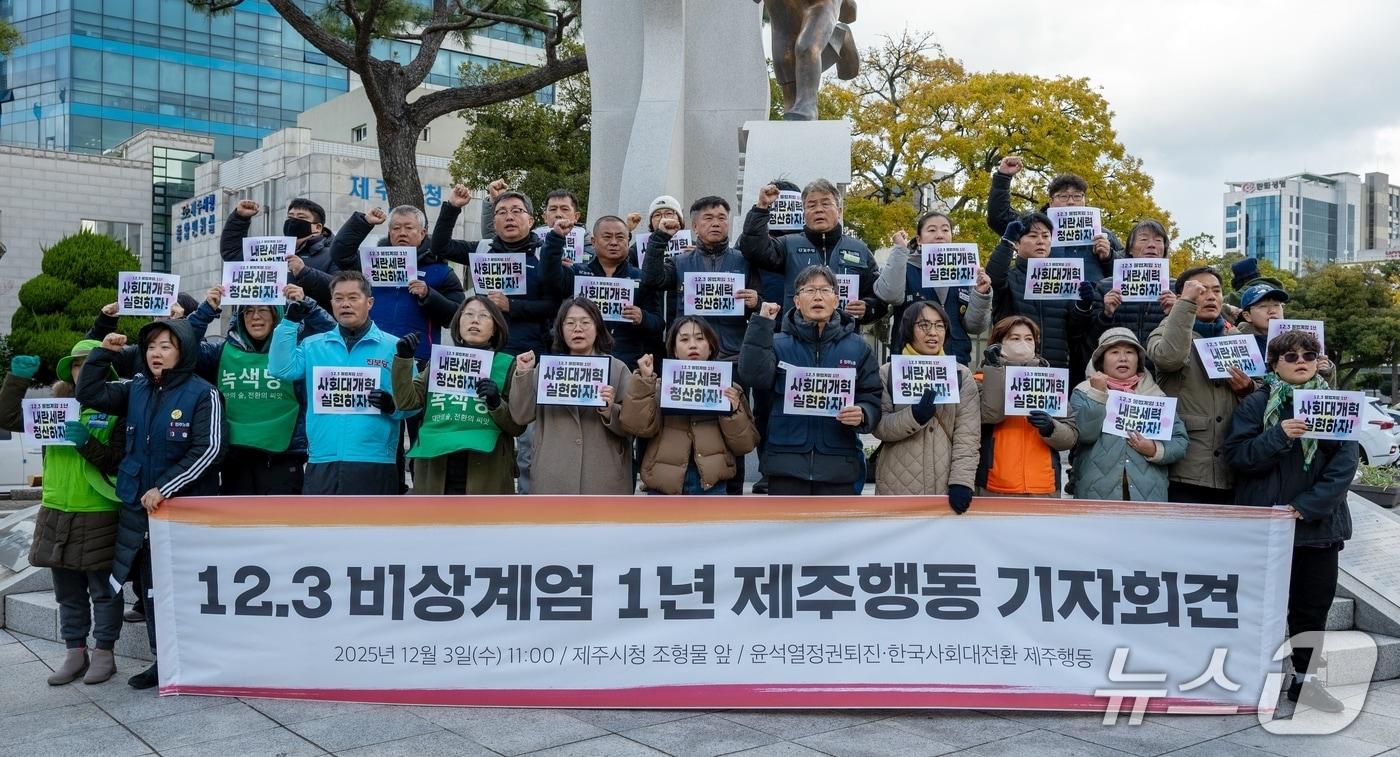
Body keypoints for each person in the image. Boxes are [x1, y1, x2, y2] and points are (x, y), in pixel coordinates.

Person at [76, 320, 227, 690]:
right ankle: (164, 660)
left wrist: (165, 487)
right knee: (151, 588)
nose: (156, 353)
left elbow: (209, 449)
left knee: (187, 588)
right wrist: (103, 352)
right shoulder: (136, 388)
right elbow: (89, 392)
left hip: (182, 512)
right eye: (152, 346)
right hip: (138, 512)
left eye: (166, 346)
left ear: (184, 351)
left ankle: (199, 658)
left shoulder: (203, 394)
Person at [1224, 331, 1358, 713]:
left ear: (1319, 360)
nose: (1300, 360)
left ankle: (1306, 681)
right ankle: (1249, 680)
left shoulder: (1335, 404)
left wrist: (1305, 506)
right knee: (1255, 607)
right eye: (1290, 355)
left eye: (1309, 354)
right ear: (1274, 364)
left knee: (1311, 609)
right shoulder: (1255, 403)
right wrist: (1277, 436)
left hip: (1317, 529)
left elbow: (1344, 467)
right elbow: (1239, 458)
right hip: (1265, 527)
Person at [1, 344, 124, 685]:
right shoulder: (54, 408)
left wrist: (87, 443)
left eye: (92, 365)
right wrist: (17, 379)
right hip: (56, 510)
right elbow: (6, 417)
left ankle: (104, 653)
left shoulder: (118, 410)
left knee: (104, 591)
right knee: (67, 592)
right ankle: (75, 652)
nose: (83, 371)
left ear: (107, 372)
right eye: (77, 366)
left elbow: (118, 461)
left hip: (99, 510)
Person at [738, 265, 881, 495]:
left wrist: (863, 412)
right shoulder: (776, 343)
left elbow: (872, 396)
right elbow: (753, 375)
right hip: (786, 467)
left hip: (839, 467)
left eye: (825, 290)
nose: (817, 296)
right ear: (796, 300)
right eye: (809, 290)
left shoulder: (858, 348)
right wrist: (761, 325)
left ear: (836, 300)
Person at [268, 272, 409, 495]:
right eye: (338, 298)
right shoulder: (313, 345)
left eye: (353, 298)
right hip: (323, 458)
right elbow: (280, 369)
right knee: (321, 528)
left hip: (375, 460)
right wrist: (289, 323)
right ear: (331, 302)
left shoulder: (394, 347)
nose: (345, 304)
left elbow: (414, 404)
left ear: (369, 302)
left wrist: (392, 406)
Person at [186, 284, 336, 495]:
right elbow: (181, 347)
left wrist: (307, 306)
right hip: (235, 459)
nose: (255, 316)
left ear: (277, 314)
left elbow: (336, 340)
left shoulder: (297, 353)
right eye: (248, 311)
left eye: (263, 309)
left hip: (284, 456)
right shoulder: (219, 351)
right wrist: (206, 311)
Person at [393, 296, 524, 495]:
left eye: (483, 316)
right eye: (468, 314)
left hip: (486, 470)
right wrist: (404, 359)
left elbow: (517, 426)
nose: (475, 320)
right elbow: (406, 401)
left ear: (495, 328)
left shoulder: (508, 365)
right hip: (436, 467)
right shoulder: (439, 361)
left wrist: (496, 403)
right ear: (458, 323)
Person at [1146, 267, 1255, 504]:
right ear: (1182, 296)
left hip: (1231, 465)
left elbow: (1261, 389)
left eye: (1216, 291)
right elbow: (1169, 358)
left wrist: (1247, 389)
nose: (1210, 296)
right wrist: (1184, 304)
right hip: (1184, 468)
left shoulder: (1236, 337)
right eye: (1201, 290)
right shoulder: (1163, 332)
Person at [620, 317, 759, 495]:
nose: (693, 345)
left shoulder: (730, 390)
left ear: (711, 347)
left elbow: (745, 445)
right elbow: (636, 427)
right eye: (684, 339)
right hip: (664, 485)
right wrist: (644, 382)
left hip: (712, 486)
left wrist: (733, 413)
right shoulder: (656, 387)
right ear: (674, 350)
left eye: (700, 339)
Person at [508, 297, 634, 494]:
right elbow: (521, 416)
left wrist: (610, 410)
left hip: (604, 476)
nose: (578, 329)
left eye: (585, 322)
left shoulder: (617, 369)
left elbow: (634, 425)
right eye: (570, 323)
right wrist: (524, 373)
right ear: (560, 329)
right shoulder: (545, 370)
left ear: (598, 327)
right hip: (553, 475)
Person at [871, 303, 981, 509]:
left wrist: (962, 481)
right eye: (923, 325)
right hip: (897, 483)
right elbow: (879, 427)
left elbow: (968, 435)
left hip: (946, 482)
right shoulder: (888, 373)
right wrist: (914, 416)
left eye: (939, 326)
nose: (933, 332)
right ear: (908, 329)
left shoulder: (961, 375)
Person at [433, 185, 561, 358]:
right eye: (501, 212)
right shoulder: (482, 249)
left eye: (516, 211)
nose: (509, 217)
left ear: (530, 221)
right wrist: (453, 207)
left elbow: (554, 306)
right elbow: (440, 247)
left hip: (527, 352)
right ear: (494, 223)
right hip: (482, 350)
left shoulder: (544, 254)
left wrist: (511, 305)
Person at [739, 179, 886, 326]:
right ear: (803, 212)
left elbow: (879, 295)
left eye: (826, 203)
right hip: (796, 338)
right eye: (811, 205)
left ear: (839, 211)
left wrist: (868, 308)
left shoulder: (859, 249)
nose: (819, 209)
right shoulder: (788, 244)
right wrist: (761, 207)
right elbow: (754, 249)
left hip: (843, 339)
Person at [330, 205, 466, 363]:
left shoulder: (441, 272)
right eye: (396, 228)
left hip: (418, 357)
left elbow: (457, 318)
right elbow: (340, 254)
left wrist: (429, 295)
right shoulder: (372, 264)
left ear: (422, 233)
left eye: (409, 228)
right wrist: (364, 222)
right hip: (371, 352)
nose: (402, 233)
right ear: (389, 233)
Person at [1069, 328, 1188, 501]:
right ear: (1101, 360)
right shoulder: (1084, 391)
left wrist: (1155, 450)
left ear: (1138, 360)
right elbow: (1085, 434)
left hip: (1149, 496)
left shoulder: (1155, 395)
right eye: (1114, 352)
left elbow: (1180, 441)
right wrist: (1098, 394)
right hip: (1095, 494)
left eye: (1130, 352)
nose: (1123, 358)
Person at [640, 196, 761, 359]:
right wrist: (660, 237)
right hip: (689, 356)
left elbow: (762, 307)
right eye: (708, 218)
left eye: (722, 218)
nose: (716, 223)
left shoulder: (744, 261)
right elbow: (651, 280)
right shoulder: (679, 262)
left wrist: (757, 302)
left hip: (732, 355)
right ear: (695, 227)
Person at [542, 214, 665, 370]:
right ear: (593, 242)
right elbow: (548, 277)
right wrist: (556, 238)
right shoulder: (577, 273)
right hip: (581, 362)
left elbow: (659, 323)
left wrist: (643, 317)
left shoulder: (642, 278)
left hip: (626, 364)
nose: (614, 242)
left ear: (628, 240)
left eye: (620, 237)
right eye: (607, 237)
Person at [975, 316, 1077, 497]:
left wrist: (1050, 428)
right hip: (995, 486)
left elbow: (1069, 438)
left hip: (1043, 486)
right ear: (999, 344)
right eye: (1015, 338)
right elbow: (991, 415)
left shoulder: (1050, 382)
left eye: (1028, 338)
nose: (1023, 343)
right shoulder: (980, 380)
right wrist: (994, 370)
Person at [873, 210, 992, 365]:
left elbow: (975, 326)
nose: (939, 235)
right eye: (932, 230)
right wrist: (900, 250)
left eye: (945, 230)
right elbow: (889, 295)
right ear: (919, 239)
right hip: (909, 361)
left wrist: (981, 294)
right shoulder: (904, 265)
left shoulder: (966, 271)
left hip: (955, 359)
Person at [985, 156, 1122, 281]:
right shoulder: (1033, 226)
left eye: (1077, 196)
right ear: (1051, 201)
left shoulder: (1104, 236)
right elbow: (999, 217)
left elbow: (1127, 272)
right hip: (1042, 303)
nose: (1071, 202)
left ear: (1084, 200)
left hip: (1092, 305)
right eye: (1063, 196)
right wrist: (1003, 177)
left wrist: (1109, 257)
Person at [986, 212, 1076, 372]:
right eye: (1033, 236)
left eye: (1045, 236)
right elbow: (993, 279)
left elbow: (1076, 327)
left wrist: (1084, 306)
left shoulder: (1065, 281)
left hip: (1056, 370)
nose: (1040, 241)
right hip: (1010, 368)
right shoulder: (1009, 278)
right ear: (1018, 244)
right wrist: (1006, 243)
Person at [1069, 219, 1177, 349]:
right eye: (1144, 240)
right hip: (1118, 367)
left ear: (1164, 250)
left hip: (1159, 368)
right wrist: (1106, 314)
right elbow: (1090, 342)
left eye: (1158, 240)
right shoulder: (1105, 287)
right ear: (1130, 249)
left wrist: (1176, 313)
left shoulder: (1176, 289)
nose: (1151, 245)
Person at [220, 198, 338, 308]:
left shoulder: (334, 255)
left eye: (301, 217)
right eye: (290, 217)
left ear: (317, 227)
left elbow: (342, 291)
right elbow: (232, 254)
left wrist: (304, 272)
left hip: (313, 328)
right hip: (269, 327)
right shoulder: (270, 251)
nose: (293, 222)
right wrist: (239, 218)